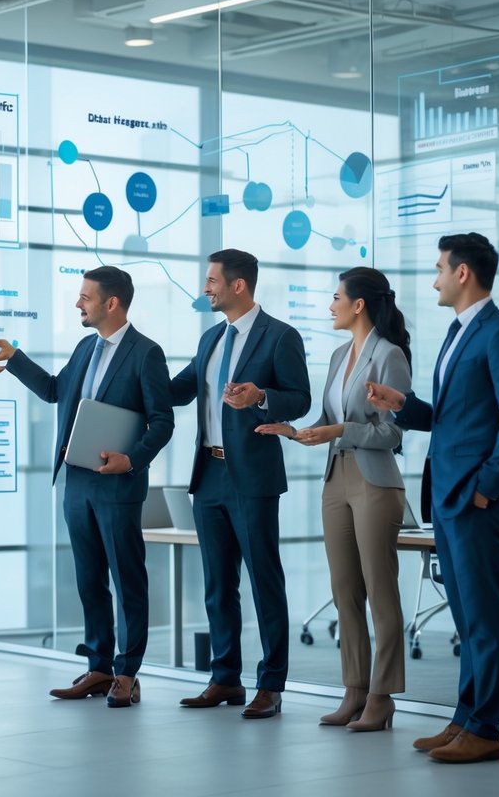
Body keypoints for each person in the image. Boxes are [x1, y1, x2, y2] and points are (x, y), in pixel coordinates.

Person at [367, 233, 499, 764]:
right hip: (448, 494)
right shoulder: (458, 332)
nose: (435, 277)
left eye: (441, 268)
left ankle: (485, 729)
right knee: (466, 618)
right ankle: (466, 718)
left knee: (483, 618)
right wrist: (404, 406)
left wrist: (488, 487)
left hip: (474, 498)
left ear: (463, 273)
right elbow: (452, 416)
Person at [0, 266, 174, 708]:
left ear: (112, 303)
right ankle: (100, 667)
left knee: (127, 580)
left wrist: (132, 459)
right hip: (77, 482)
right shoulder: (85, 348)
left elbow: (163, 422)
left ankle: (128, 671)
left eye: (85, 297)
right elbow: (53, 391)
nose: (77, 304)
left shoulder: (147, 354)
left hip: (118, 483)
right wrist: (15, 358)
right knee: (89, 580)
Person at [256, 267, 410, 731]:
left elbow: (395, 432)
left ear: (358, 304)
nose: (331, 304)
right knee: (345, 591)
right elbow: (327, 418)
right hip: (335, 479)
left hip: (375, 481)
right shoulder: (340, 355)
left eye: (337, 296)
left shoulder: (390, 355)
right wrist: (292, 431)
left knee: (380, 591)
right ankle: (354, 691)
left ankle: (382, 697)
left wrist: (343, 430)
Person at [170, 249, 310, 719]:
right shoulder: (210, 339)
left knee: (264, 580)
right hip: (208, 474)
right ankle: (224, 678)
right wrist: (136, 367)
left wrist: (262, 396)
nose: (205, 288)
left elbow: (301, 399)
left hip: (251, 476)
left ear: (238, 286)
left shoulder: (279, 337)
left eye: (212, 281)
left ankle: (271, 684)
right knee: (217, 584)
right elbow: (179, 388)